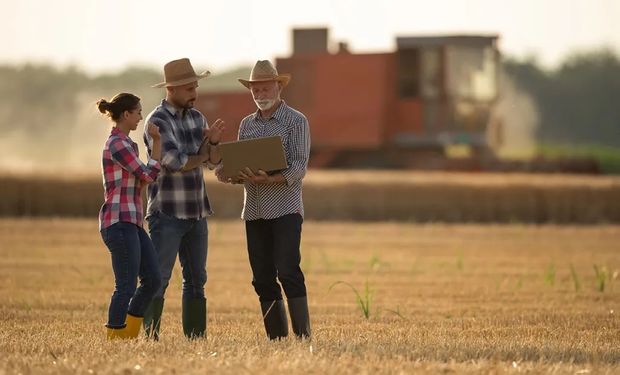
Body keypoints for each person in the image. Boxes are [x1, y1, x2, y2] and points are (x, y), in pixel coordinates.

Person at [217, 60, 311, 340]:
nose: (259, 93)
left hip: (285, 209)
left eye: (265, 87)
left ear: (279, 87)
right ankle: (277, 340)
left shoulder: (297, 121)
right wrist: (231, 174)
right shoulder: (246, 124)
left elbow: (299, 167)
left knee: (288, 271)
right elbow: (236, 167)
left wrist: (269, 179)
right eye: (255, 89)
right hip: (254, 212)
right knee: (261, 278)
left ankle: (304, 337)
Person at [142, 58, 225, 339]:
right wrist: (203, 156)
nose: (194, 92)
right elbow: (175, 162)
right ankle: (150, 337)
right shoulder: (157, 121)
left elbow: (212, 164)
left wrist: (212, 142)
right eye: (189, 87)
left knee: (197, 280)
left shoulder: (197, 118)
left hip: (197, 211)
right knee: (159, 278)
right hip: (167, 213)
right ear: (172, 89)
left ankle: (196, 339)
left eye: (195, 86)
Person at [97, 93, 163, 340]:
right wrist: (157, 142)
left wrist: (149, 167)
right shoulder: (118, 144)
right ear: (126, 114)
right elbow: (148, 175)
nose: (141, 117)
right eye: (138, 112)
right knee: (126, 285)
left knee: (153, 279)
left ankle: (127, 335)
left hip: (132, 221)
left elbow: (141, 182)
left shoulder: (127, 144)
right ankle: (115, 338)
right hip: (118, 221)